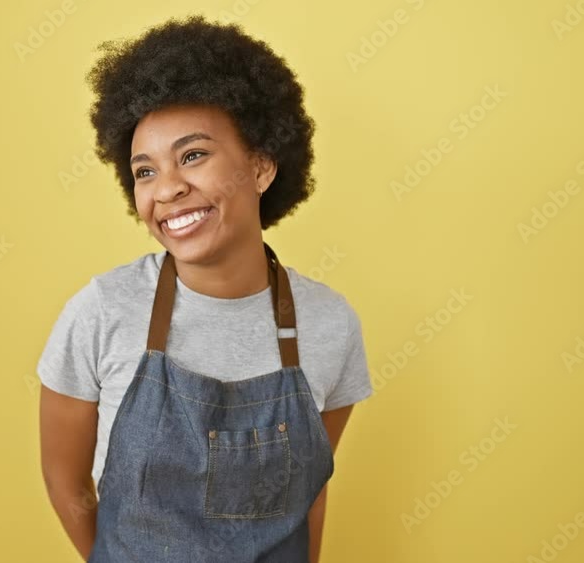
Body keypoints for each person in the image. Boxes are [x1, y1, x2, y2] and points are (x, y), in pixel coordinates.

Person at [38, 14, 373, 562]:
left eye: (193, 155)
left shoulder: (330, 323)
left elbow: (309, 494)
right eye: (145, 171)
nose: (167, 188)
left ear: (261, 167)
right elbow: (66, 483)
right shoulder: (104, 310)